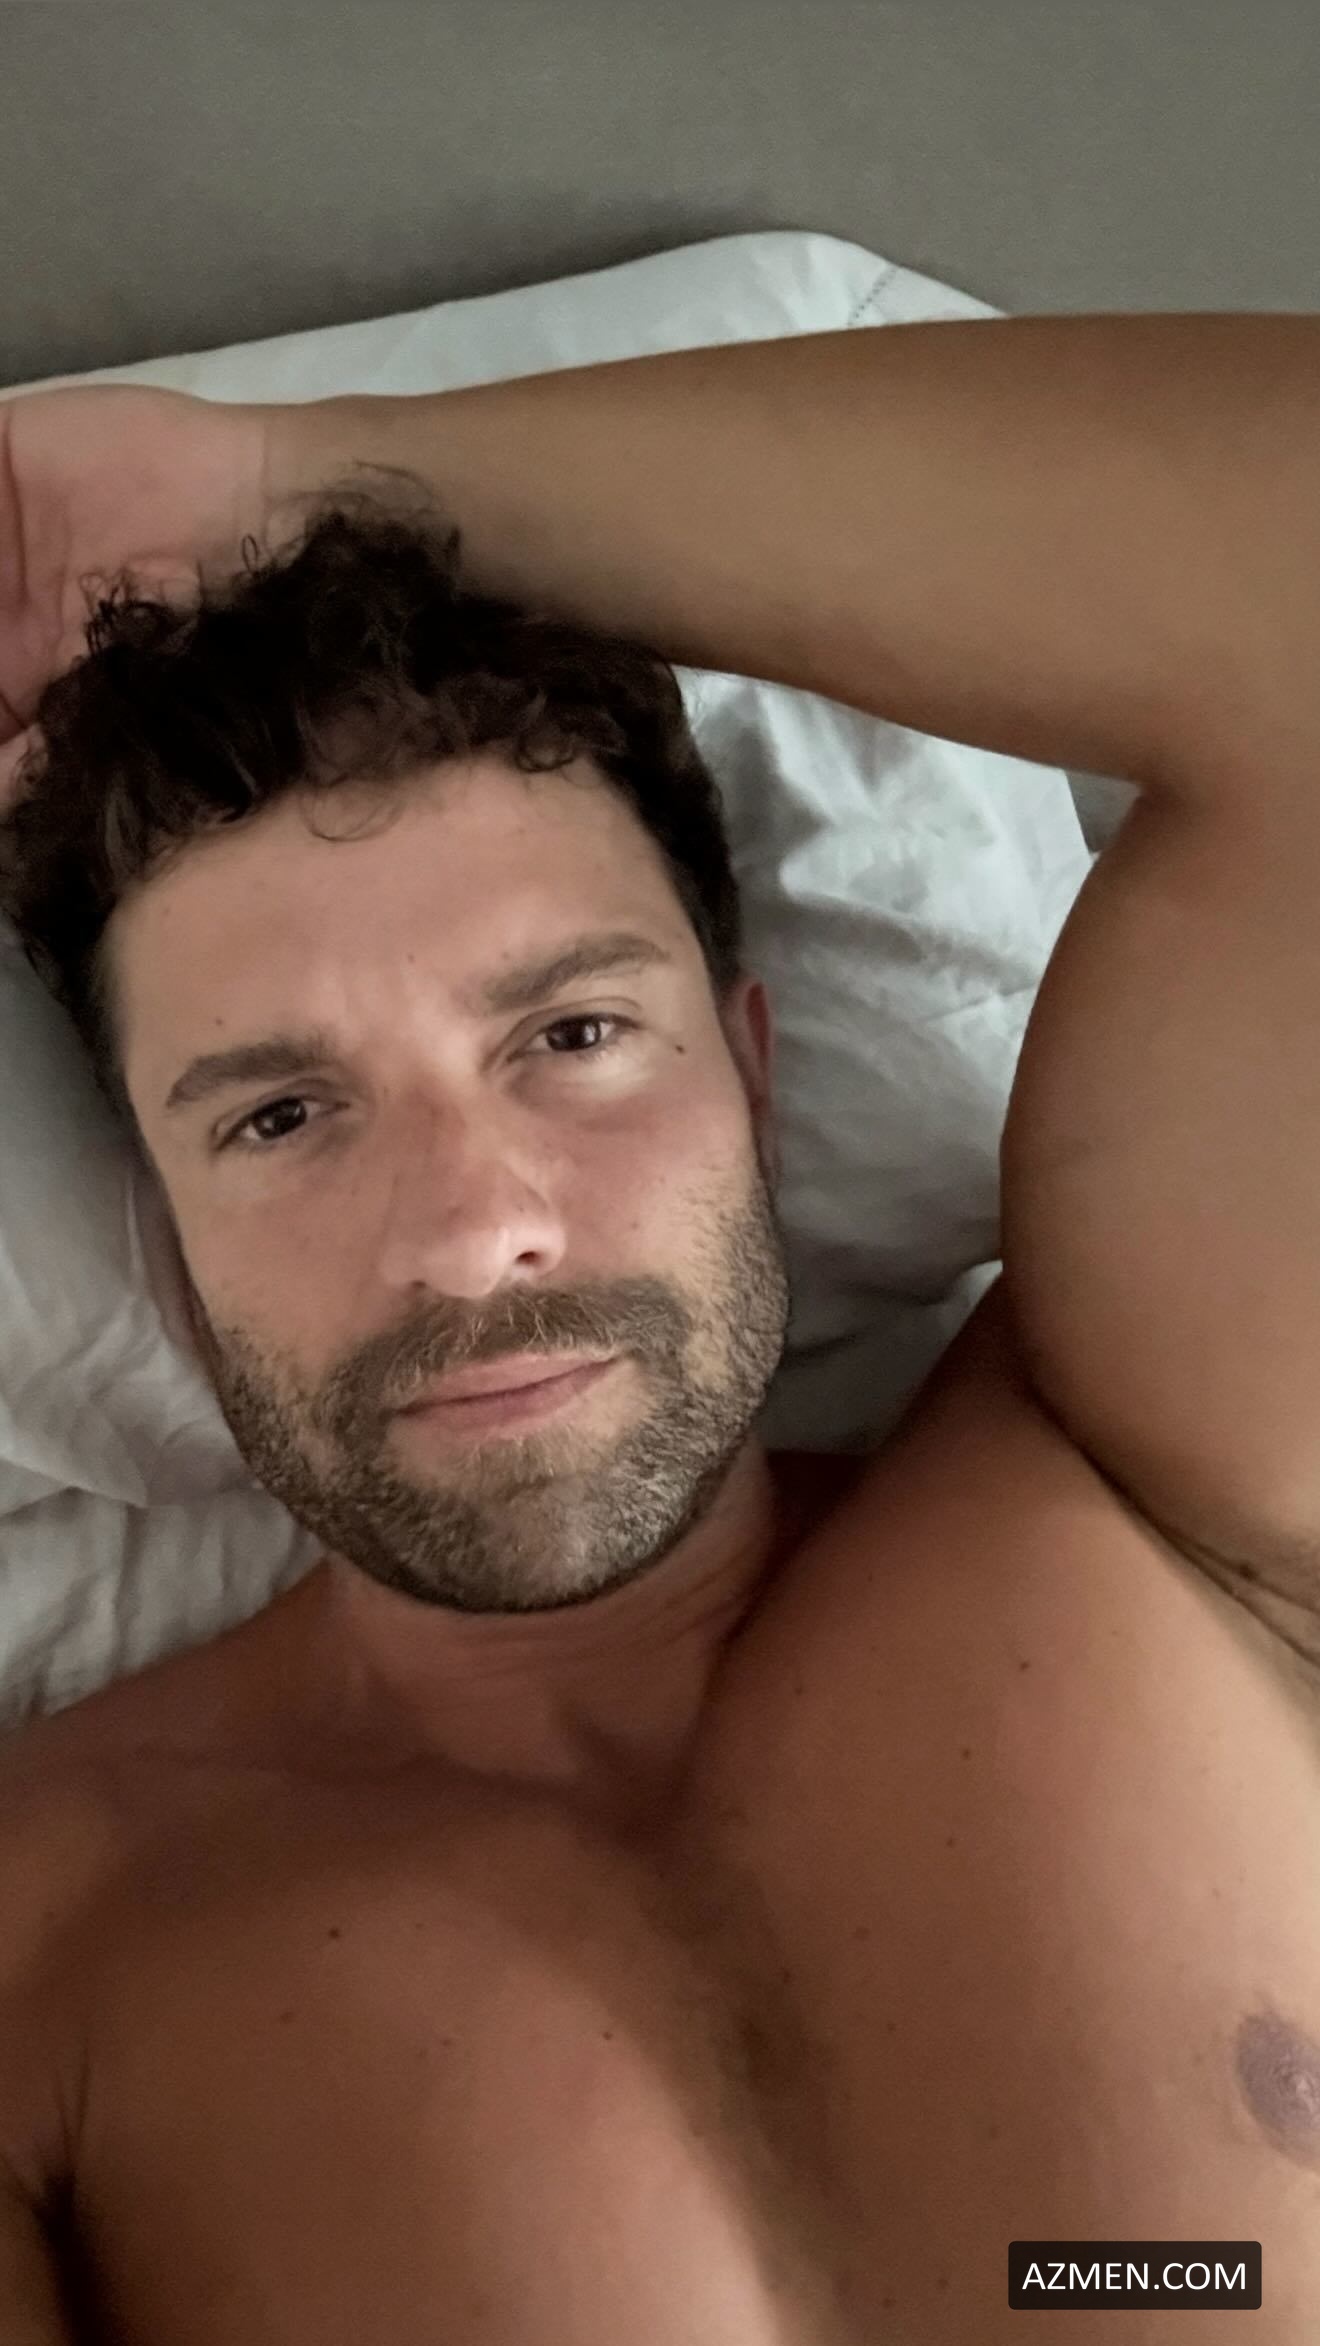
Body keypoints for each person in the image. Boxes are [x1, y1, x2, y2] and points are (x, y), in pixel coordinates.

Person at [0, 312, 1317, 2342]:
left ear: (755, 1082)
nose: (475, 1234)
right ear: (169, 1264)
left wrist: (277, 484)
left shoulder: (1158, 1504)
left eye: (574, 1033)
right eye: (279, 1116)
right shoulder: (42, 1949)